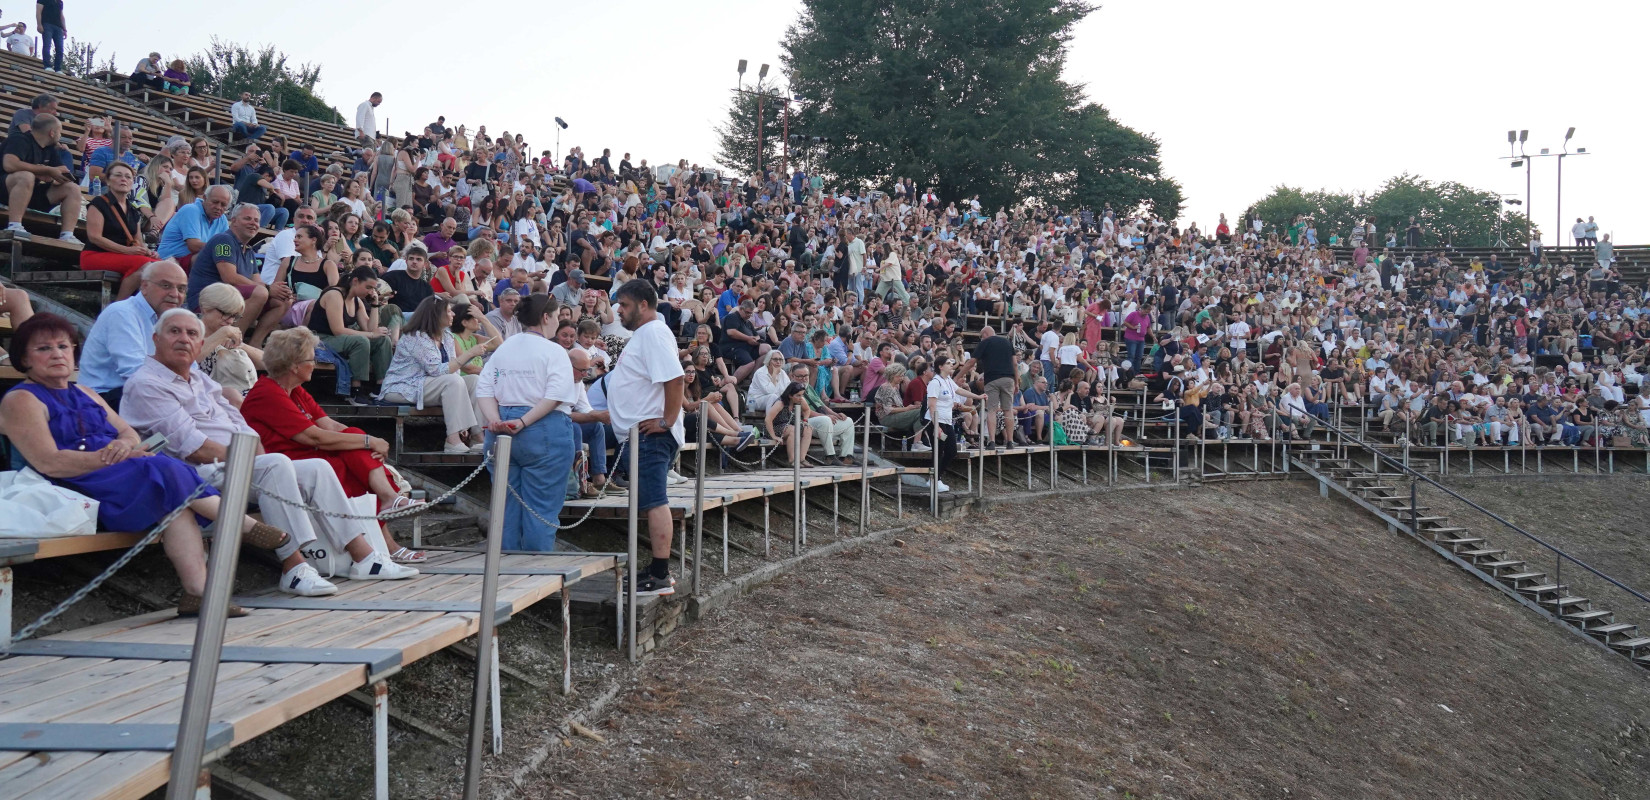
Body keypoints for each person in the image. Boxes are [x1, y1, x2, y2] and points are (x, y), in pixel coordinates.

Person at [1, 313, 293, 616]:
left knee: (175, 505)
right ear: (24, 358)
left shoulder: (84, 392)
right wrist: (112, 457)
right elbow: (49, 462)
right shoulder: (22, 399)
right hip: (76, 482)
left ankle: (200, 595)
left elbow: (126, 430)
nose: (57, 354)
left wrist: (124, 445)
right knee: (163, 468)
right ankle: (246, 527)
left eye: (63, 346)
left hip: (119, 473)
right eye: (44, 349)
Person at [121, 308, 417, 593]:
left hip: (240, 462)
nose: (184, 339)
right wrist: (253, 457)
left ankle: (364, 557)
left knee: (318, 468)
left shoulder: (200, 380)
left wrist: (253, 455)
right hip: (193, 474)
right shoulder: (147, 384)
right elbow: (195, 448)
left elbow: (241, 425)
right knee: (278, 465)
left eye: (190, 333)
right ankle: (295, 568)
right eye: (174, 332)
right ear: (156, 339)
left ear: (201, 343)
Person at [241, 328, 427, 563]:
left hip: (307, 454)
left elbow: (331, 426)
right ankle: (387, 522)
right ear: (294, 365)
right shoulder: (267, 393)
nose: (316, 363)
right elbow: (314, 437)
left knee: (352, 436)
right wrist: (370, 441)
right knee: (343, 464)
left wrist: (365, 441)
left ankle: (389, 504)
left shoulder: (295, 390)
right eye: (312, 359)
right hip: (283, 463)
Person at [474, 294, 579, 551]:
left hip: (500, 428)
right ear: (546, 317)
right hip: (542, 427)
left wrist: (496, 420)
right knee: (540, 508)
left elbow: (484, 389)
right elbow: (555, 396)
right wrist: (522, 421)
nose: (558, 322)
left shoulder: (505, 347)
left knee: (506, 507)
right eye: (556, 317)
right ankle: (535, 573)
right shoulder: (555, 351)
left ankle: (505, 572)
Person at [605, 279, 683, 596]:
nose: (618, 311)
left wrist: (667, 420)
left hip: (651, 435)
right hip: (640, 435)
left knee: (654, 502)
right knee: (650, 500)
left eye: (623, 305)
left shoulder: (652, 333)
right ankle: (655, 569)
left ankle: (660, 575)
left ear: (643, 305)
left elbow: (675, 379)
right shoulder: (646, 334)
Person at [377, 296, 489, 453]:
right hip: (402, 387)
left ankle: (477, 436)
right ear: (437, 315)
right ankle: (452, 439)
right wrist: (469, 353)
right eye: (449, 311)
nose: (453, 314)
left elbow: (454, 371)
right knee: (453, 381)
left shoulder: (447, 336)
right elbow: (436, 370)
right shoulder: (416, 337)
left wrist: (461, 413)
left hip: (429, 385)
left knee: (474, 381)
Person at [79, 259, 187, 407]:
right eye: (166, 286)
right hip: (102, 401)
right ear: (144, 286)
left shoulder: (171, 319)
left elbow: (188, 367)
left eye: (181, 289)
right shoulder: (122, 313)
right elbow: (136, 372)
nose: (175, 294)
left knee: (223, 396)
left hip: (142, 392)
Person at [186, 203, 291, 347]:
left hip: (230, 301)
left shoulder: (248, 251)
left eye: (256, 220)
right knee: (261, 292)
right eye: (247, 218)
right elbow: (229, 278)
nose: (253, 223)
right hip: (204, 302)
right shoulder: (223, 240)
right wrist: (267, 288)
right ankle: (230, 343)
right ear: (233, 221)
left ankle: (255, 344)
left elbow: (257, 281)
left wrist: (277, 291)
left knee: (283, 301)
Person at [311, 266, 393, 405]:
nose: (370, 291)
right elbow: (338, 329)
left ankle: (381, 387)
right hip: (321, 340)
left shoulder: (357, 300)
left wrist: (374, 305)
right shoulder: (334, 295)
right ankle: (355, 390)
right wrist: (371, 334)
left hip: (339, 339)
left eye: (372, 288)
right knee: (360, 340)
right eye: (368, 287)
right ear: (355, 281)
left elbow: (370, 328)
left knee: (382, 339)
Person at [80, 161, 157, 300]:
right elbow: (94, 237)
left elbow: (138, 242)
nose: (124, 179)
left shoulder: (133, 211)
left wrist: (148, 251)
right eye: (118, 175)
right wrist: (126, 250)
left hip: (123, 256)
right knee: (144, 264)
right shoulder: (99, 203)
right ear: (108, 181)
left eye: (128, 177)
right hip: (95, 255)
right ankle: (119, 306)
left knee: (162, 265)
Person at [3, 112, 81, 243]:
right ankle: (14, 225)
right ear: (52, 132)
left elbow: (62, 171)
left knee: (72, 188)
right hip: (5, 190)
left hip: (30, 192)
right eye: (59, 132)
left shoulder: (50, 148)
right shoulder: (19, 139)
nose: (60, 135)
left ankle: (67, 235)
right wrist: (46, 170)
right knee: (26, 176)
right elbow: (9, 164)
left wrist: (52, 177)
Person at [926, 354, 983, 493]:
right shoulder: (935, 382)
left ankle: (936, 477)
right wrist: (936, 426)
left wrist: (978, 396)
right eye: (947, 363)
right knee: (938, 451)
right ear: (940, 366)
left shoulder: (948, 380)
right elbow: (932, 406)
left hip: (947, 421)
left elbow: (960, 390)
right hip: (935, 421)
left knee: (951, 450)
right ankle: (934, 479)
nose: (951, 365)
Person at [156, 183, 232, 267]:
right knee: (209, 258)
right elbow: (194, 246)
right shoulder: (191, 210)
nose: (218, 207)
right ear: (204, 198)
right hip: (170, 260)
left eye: (223, 205)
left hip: (189, 261)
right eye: (215, 202)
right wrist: (223, 250)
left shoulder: (222, 219)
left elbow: (226, 245)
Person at [974, 325, 1017, 448]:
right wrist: (1017, 382)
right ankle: (1010, 441)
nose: (981, 339)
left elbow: (973, 361)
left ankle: (992, 441)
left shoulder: (985, 342)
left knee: (991, 410)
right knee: (1008, 409)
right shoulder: (1007, 342)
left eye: (982, 336)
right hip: (1008, 378)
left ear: (985, 334)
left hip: (992, 379)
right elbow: (1014, 363)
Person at [35, 0, 65, 73]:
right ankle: (47, 66)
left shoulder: (60, 2)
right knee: (47, 45)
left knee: (60, 49)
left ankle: (58, 68)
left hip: (58, 27)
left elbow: (61, 16)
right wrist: (39, 24)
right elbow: (38, 12)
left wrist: (64, 29)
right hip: (47, 24)